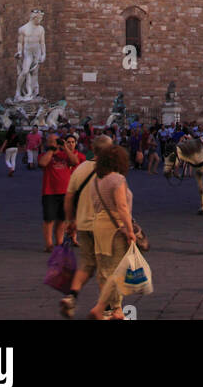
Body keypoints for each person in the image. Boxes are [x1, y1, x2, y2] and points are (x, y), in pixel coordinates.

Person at [60, 135, 113, 319]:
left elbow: (68, 198)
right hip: (104, 226)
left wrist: (69, 221)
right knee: (105, 268)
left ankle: (71, 296)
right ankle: (104, 309)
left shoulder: (80, 168)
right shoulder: (111, 171)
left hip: (83, 224)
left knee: (87, 264)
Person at [88, 145, 136, 321]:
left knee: (104, 269)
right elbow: (122, 207)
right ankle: (102, 307)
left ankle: (115, 309)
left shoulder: (96, 181)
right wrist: (130, 231)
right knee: (117, 269)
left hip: (98, 224)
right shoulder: (117, 179)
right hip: (115, 226)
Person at [38, 131, 82, 251]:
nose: (53, 143)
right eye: (51, 141)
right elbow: (42, 163)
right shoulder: (44, 154)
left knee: (62, 220)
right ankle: (49, 244)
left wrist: (65, 148)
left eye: (55, 141)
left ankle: (60, 242)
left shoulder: (64, 155)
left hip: (65, 192)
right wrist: (52, 150)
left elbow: (75, 162)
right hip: (49, 192)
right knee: (49, 219)